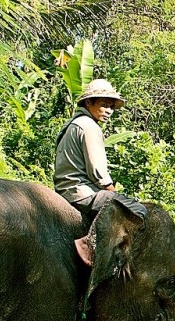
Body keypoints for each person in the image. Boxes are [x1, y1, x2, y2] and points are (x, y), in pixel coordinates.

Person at [54, 78, 146, 226]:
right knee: (139, 210)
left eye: (111, 107)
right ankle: (93, 239)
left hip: (64, 189)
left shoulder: (73, 123)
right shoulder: (89, 126)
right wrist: (114, 193)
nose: (109, 111)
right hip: (81, 193)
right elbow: (98, 174)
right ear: (88, 102)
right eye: (104, 105)